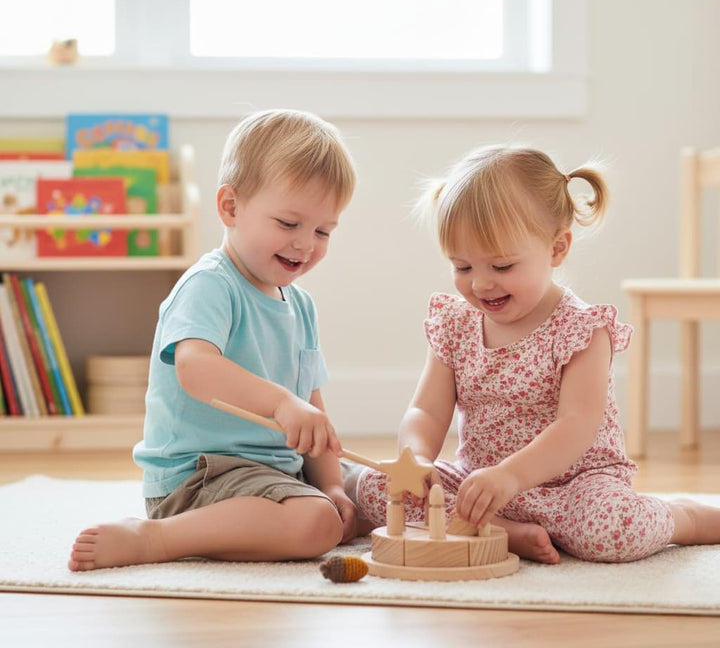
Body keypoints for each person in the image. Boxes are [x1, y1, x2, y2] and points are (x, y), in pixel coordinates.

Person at [351, 145, 720, 563]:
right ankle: (504, 533)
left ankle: (684, 516)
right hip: (481, 487)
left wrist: (512, 476)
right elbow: (426, 411)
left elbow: (576, 425)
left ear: (557, 248)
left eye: (502, 267)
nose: (481, 285)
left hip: (575, 488)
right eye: (463, 267)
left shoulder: (581, 329)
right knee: (375, 483)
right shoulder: (456, 323)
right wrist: (415, 457)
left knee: (614, 531)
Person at [69, 109, 358, 571]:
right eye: (288, 223)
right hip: (201, 478)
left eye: (323, 231)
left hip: (272, 472)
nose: (306, 244)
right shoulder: (210, 284)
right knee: (317, 524)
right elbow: (196, 367)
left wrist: (334, 487)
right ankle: (156, 538)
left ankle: (321, 501)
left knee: (369, 492)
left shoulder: (300, 305)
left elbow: (313, 412)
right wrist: (282, 403)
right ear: (230, 207)